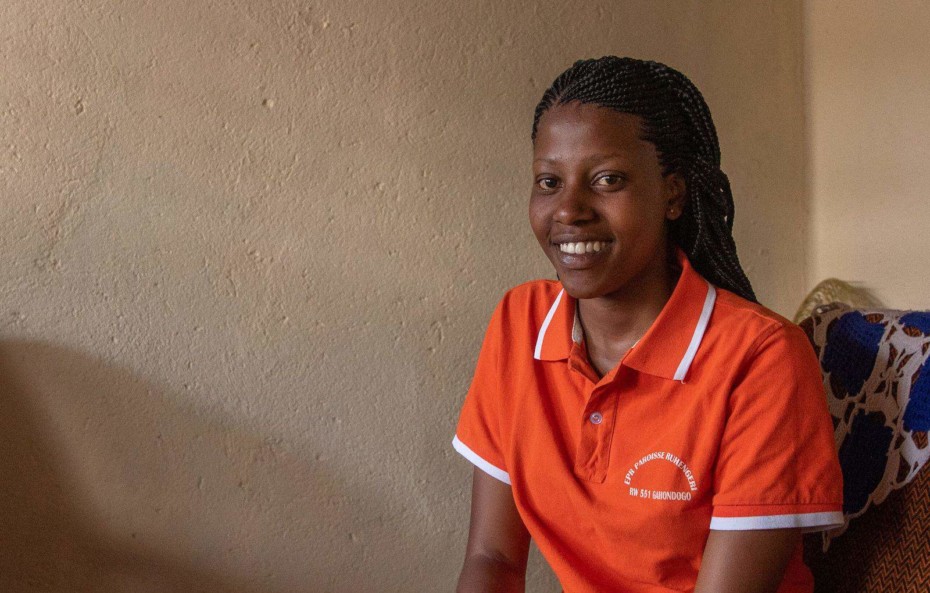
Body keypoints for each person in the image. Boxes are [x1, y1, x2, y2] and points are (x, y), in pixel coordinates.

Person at [452, 57, 843, 593]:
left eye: (607, 179)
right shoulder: (520, 323)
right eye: (549, 181)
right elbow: (493, 558)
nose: (569, 209)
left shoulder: (762, 357)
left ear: (672, 194)